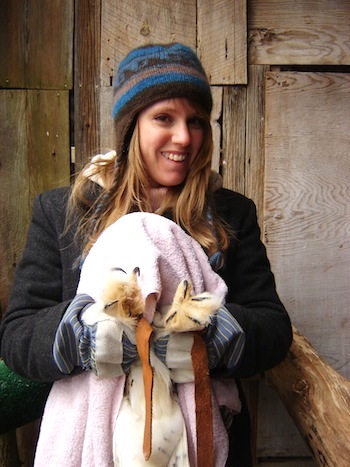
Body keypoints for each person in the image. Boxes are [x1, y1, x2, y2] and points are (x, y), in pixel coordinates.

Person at [0, 43, 292, 466]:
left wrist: (205, 335)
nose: (184, 137)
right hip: (89, 442)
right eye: (163, 118)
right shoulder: (65, 212)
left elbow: (273, 328)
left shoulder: (230, 214)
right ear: (130, 126)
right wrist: (89, 336)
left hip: (205, 445)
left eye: (195, 121)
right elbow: (18, 334)